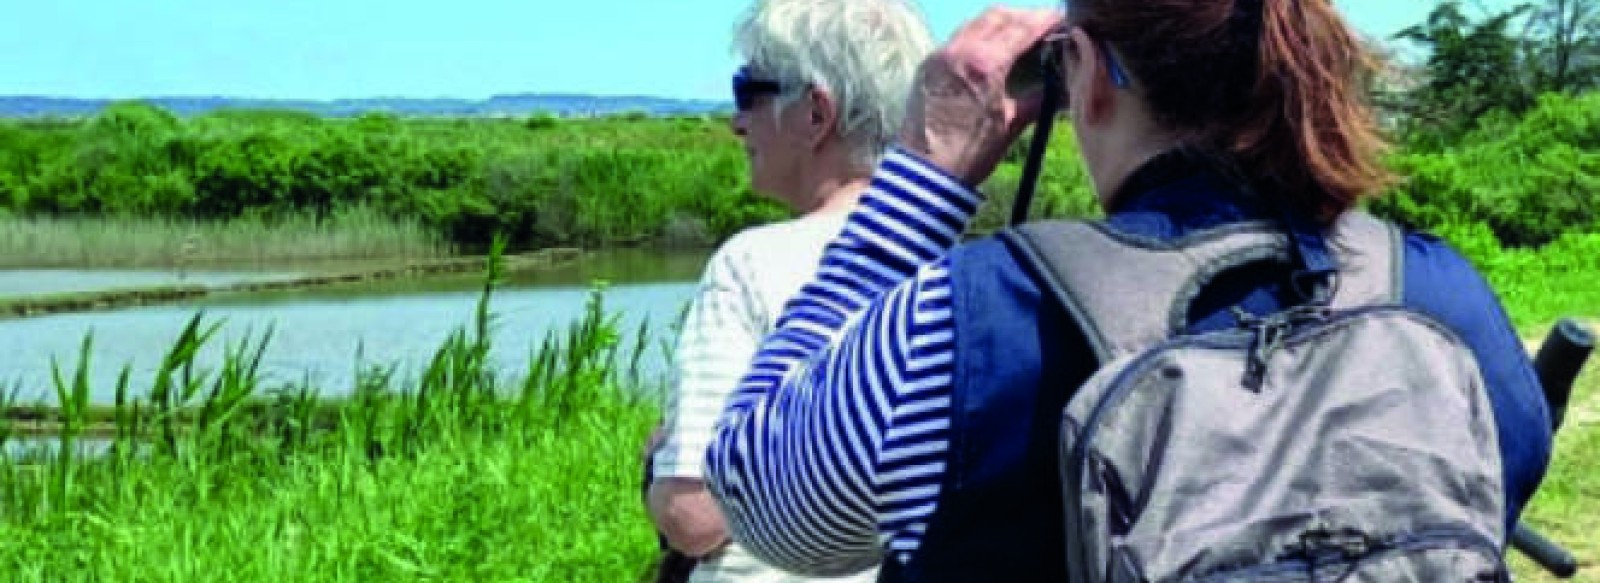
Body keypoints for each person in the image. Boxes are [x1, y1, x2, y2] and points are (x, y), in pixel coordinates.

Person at [702, 1, 1554, 582]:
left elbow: (760, 500)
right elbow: (1500, 479)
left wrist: (921, 177)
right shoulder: (1437, 296)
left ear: (1082, 73)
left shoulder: (972, 321)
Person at [643, 0, 934, 581]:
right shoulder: (950, 267)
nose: (737, 121)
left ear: (815, 113)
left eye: (749, 90)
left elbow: (696, 515)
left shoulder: (750, 264)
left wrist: (656, 472)